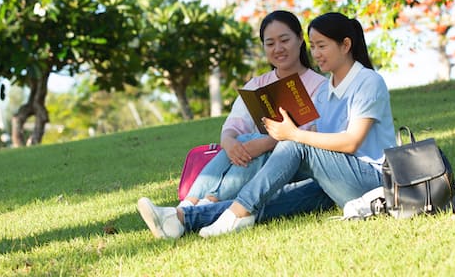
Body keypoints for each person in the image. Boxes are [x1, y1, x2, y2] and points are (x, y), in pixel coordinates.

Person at [136, 12, 396, 239]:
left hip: (371, 181)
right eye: (314, 46)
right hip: (335, 180)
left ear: (345, 45)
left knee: (293, 146)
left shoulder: (368, 82)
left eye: (322, 46)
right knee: (273, 201)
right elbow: (318, 136)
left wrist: (292, 135)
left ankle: (237, 214)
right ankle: (180, 219)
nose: (316, 54)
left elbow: (351, 142)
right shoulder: (326, 90)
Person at [179, 10, 326, 207]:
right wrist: (228, 142)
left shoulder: (321, 86)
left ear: (300, 39)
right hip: (252, 157)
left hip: (293, 163)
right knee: (243, 140)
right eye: (270, 43)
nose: (278, 49)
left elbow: (313, 135)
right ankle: (190, 203)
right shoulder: (257, 84)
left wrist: (266, 144)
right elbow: (234, 124)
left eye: (284, 40)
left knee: (257, 143)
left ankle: (209, 201)